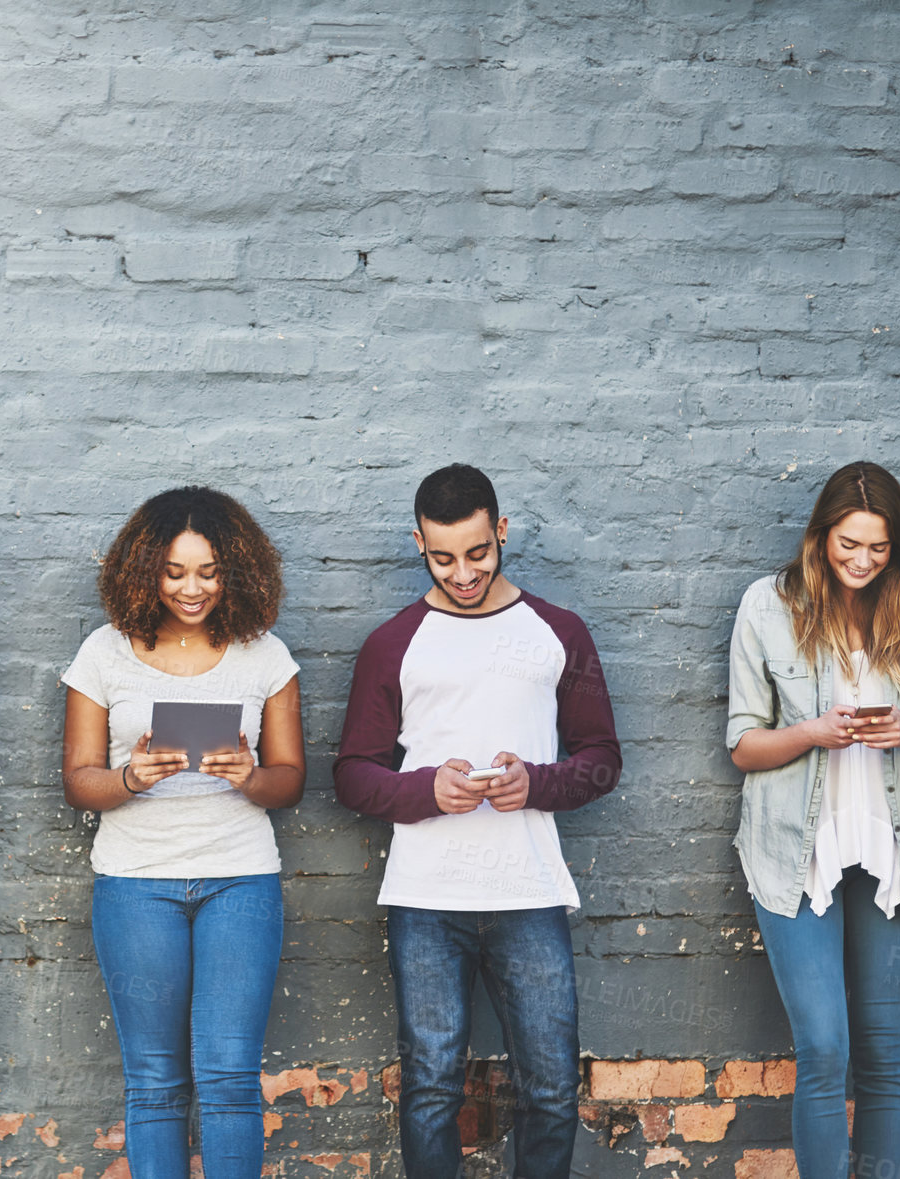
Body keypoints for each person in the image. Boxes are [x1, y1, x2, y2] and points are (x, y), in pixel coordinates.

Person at [333, 463, 621, 1179]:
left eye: (478, 552)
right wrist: (429, 789)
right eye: (442, 557)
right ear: (419, 543)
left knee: (552, 1086)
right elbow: (353, 773)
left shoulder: (559, 632)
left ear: (501, 530)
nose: (463, 572)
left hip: (528, 893)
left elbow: (603, 758)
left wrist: (537, 782)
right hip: (427, 897)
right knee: (430, 1085)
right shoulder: (393, 642)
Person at [60, 486, 304, 1179]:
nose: (191, 588)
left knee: (229, 1080)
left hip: (240, 878)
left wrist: (248, 774)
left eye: (208, 571)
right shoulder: (104, 653)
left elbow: (290, 779)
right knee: (156, 1085)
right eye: (174, 571)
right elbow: (79, 780)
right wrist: (132, 776)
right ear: (144, 569)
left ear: (236, 570)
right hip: (136, 883)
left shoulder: (264, 654)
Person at [727, 461, 900, 1179]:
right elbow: (741, 743)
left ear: (899, 547)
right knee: (824, 1047)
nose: (861, 560)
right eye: (848, 543)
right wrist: (813, 732)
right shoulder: (767, 606)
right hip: (797, 851)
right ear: (821, 535)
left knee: (883, 1054)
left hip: (895, 850)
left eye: (878, 548)